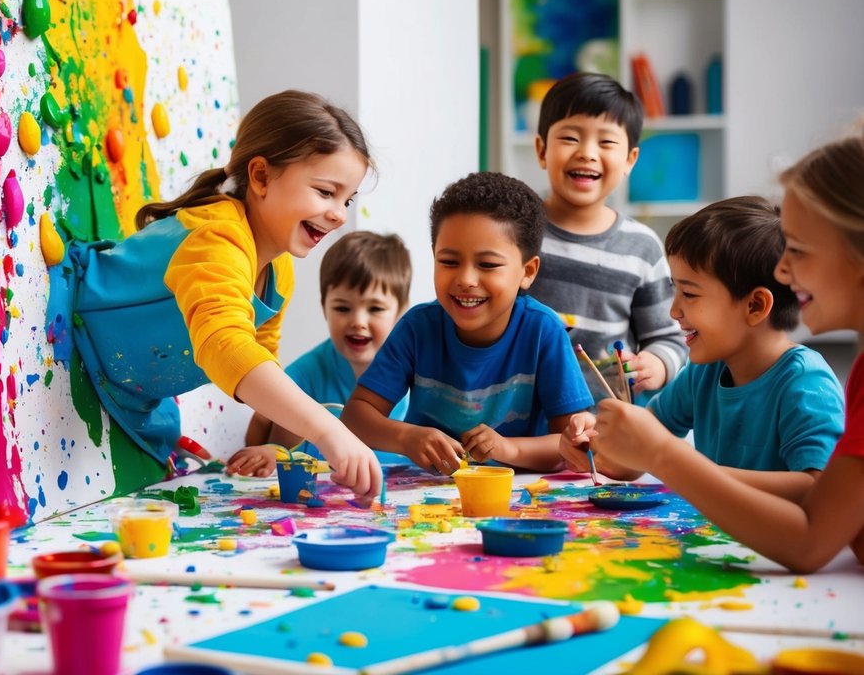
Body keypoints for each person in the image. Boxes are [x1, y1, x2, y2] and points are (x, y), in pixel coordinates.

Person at [61, 90, 383, 501]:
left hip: (131, 399)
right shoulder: (217, 237)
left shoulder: (279, 273)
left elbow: (258, 362)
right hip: (67, 345)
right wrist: (325, 428)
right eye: (325, 192)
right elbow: (226, 347)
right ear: (262, 176)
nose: (340, 213)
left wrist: (278, 447)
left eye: (347, 199)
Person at [591, 127, 864, 572]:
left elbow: (811, 535)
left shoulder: (805, 379)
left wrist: (664, 456)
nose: (782, 267)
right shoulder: (706, 372)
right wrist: (617, 445)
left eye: (797, 248)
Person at [560, 197, 844, 501]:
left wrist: (679, 465)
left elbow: (819, 490)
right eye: (675, 290)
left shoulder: (805, 384)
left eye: (690, 294)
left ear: (755, 305)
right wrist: (596, 446)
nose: (674, 311)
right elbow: (639, 456)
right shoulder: (703, 373)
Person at [340, 172, 592, 473]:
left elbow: (571, 446)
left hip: (520, 500)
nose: (465, 280)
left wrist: (508, 448)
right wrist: (406, 437)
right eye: (449, 262)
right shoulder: (417, 328)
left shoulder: (543, 332)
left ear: (527, 271)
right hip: (423, 499)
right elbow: (356, 416)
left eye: (487, 265)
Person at [531, 73, 687, 401]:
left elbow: (669, 337)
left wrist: (655, 364)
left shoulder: (641, 247)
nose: (587, 153)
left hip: (605, 423)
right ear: (542, 150)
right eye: (570, 138)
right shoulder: (518, 231)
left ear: (630, 159)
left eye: (606, 142)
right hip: (521, 421)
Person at [226, 231, 413, 477]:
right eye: (342, 308)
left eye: (375, 308)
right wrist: (272, 453)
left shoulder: (417, 368)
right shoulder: (305, 375)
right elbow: (273, 441)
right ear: (325, 307)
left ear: (401, 311)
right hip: (322, 496)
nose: (358, 321)